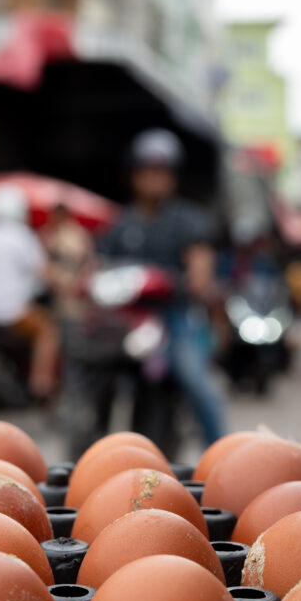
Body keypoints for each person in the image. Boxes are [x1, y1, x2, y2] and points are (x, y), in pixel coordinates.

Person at [100, 128, 225, 448]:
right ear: (134, 175)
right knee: (93, 371)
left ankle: (221, 452)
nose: (154, 178)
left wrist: (192, 280)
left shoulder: (189, 219)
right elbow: (101, 267)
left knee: (196, 381)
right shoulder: (121, 223)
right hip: (127, 321)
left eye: (161, 171)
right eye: (147, 170)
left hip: (174, 317)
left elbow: (200, 271)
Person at [0, 184, 59, 397]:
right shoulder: (22, 236)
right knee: (48, 330)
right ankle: (40, 385)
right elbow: (42, 272)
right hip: (11, 312)